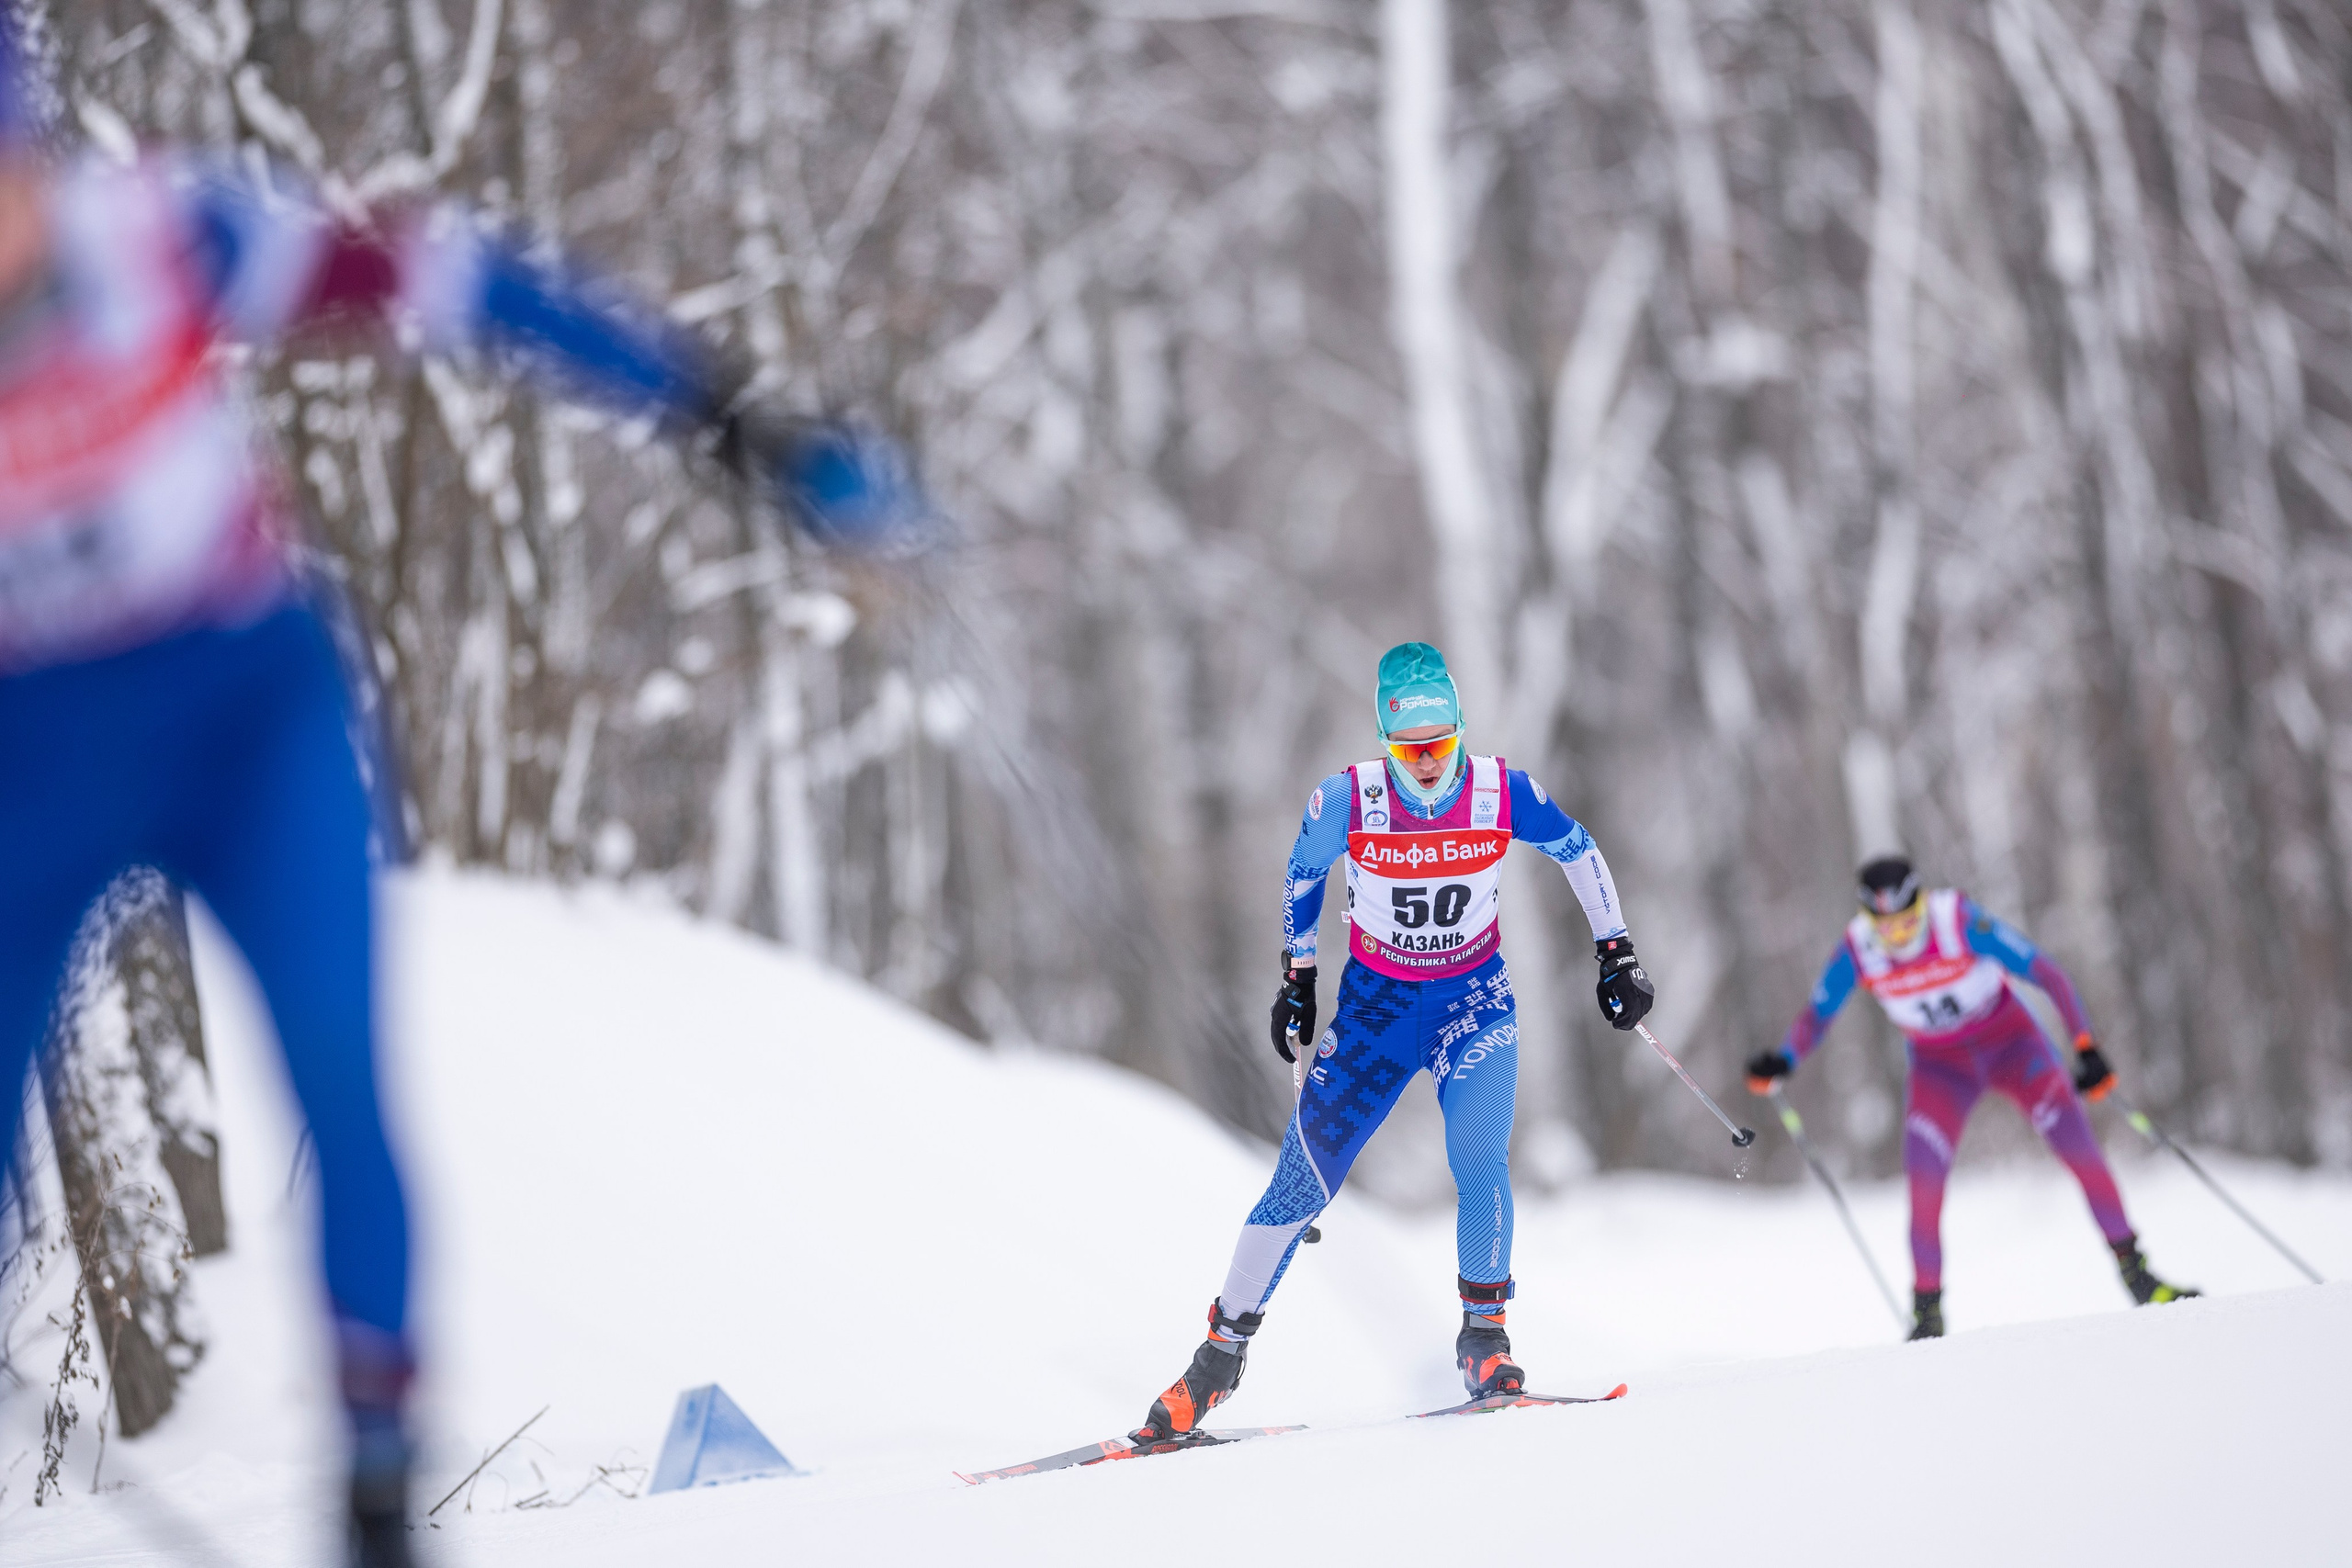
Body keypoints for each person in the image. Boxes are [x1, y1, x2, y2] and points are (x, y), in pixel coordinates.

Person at [0, 30, 914, 1567]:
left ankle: (376, 1495)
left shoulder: (160, 234)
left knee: (337, 1068)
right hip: (38, 761)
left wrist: (722, 414)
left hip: (244, 712)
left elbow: (465, 287)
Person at [1131, 642, 1655, 1440]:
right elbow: (1303, 874)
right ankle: (1216, 1360)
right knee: (1298, 1186)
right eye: (1409, 749)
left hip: (1472, 1006)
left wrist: (1615, 950)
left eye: (1440, 745)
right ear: (1385, 740)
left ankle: (1486, 1341)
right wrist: (1297, 978)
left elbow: (1578, 850)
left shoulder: (1499, 789)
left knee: (1479, 1159)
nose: (1427, 765)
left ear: (1459, 732)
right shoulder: (1348, 799)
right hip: (1375, 1017)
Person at [1745, 855, 2197, 1339]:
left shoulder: (1955, 919)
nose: (1898, 936)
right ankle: (1927, 1318)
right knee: (1923, 1184)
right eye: (1886, 926)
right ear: (1868, 919)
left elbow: (2045, 971)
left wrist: (2086, 1046)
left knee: (2080, 1151)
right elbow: (1819, 1014)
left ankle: (2139, 1277)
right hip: (1941, 1071)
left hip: (2012, 1047)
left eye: (1907, 921)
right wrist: (1784, 1060)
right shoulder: (1859, 948)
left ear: (1920, 906)